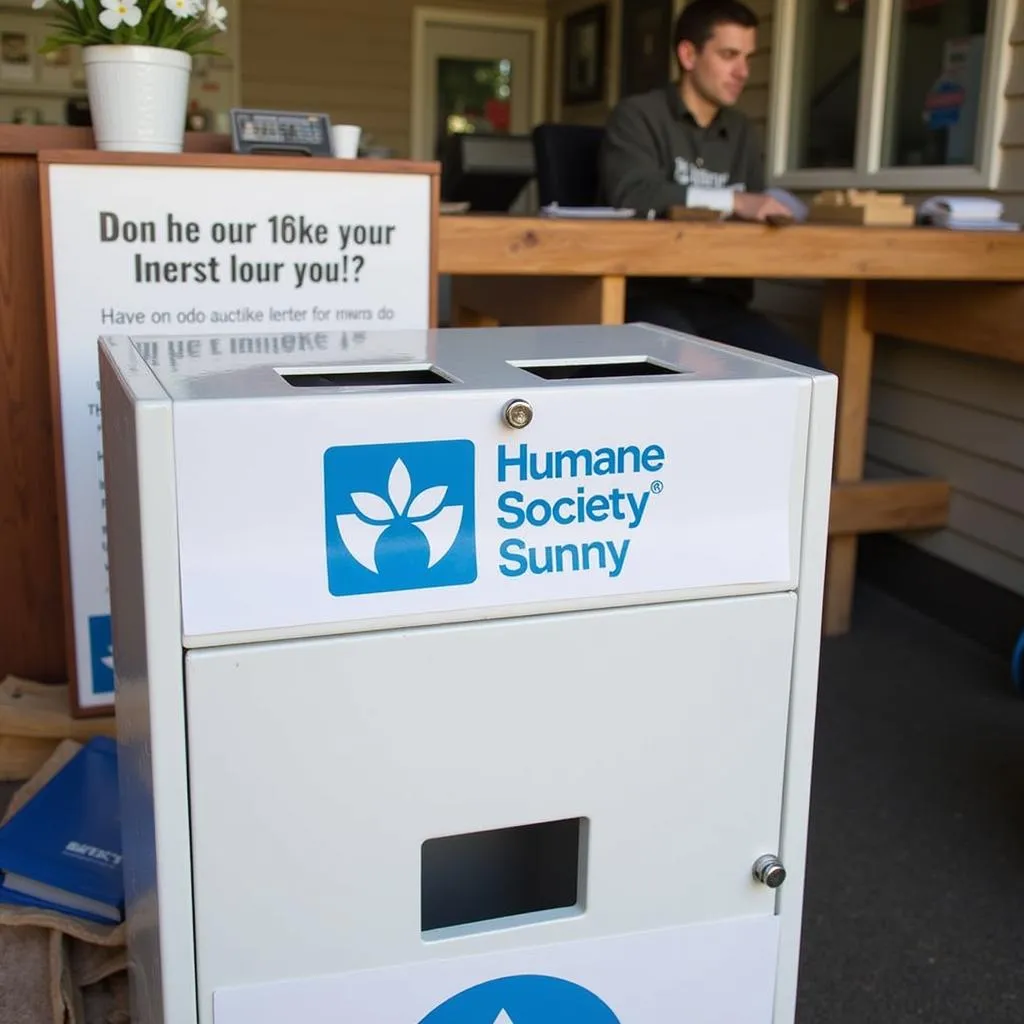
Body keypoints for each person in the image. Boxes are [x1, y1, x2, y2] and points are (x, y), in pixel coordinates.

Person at [600, 0, 825, 369]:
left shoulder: (741, 132)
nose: (743, 71)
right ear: (689, 55)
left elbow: (756, 213)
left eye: (748, 58)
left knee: (807, 374)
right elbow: (633, 193)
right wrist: (736, 201)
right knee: (699, 371)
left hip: (722, 302)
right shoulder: (638, 116)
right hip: (645, 298)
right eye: (729, 55)